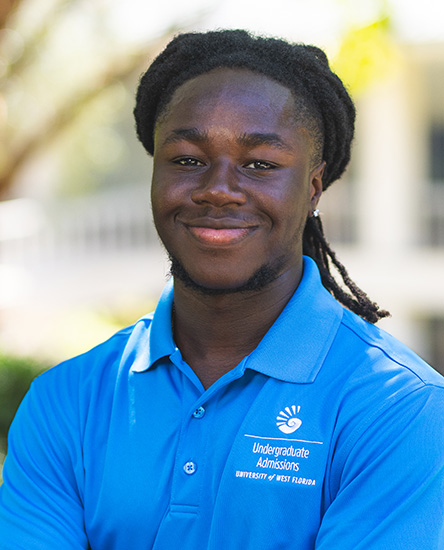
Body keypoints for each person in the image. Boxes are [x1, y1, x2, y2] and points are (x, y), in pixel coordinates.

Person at [0, 29, 443, 550]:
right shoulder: (67, 401)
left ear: (314, 188)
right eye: (188, 159)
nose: (217, 188)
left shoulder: (401, 409)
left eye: (260, 164)